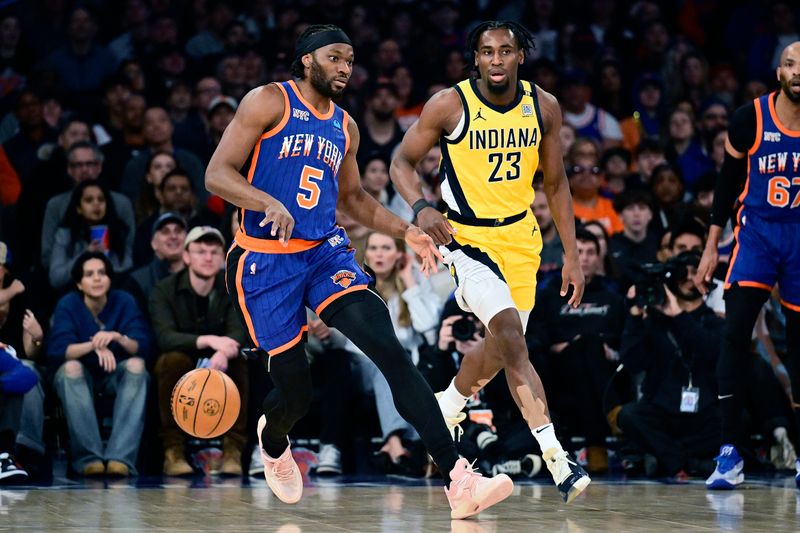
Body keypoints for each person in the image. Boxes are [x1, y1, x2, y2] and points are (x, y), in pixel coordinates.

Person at [205, 24, 512, 518]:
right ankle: (275, 437)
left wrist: (405, 230)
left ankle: (459, 478)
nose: (345, 68)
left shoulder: (345, 125)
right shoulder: (266, 102)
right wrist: (265, 201)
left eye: (349, 60)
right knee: (296, 390)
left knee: (390, 351)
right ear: (307, 60)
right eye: (334, 58)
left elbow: (351, 199)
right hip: (265, 260)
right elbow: (217, 174)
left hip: (326, 253)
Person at [390, 20, 591, 503]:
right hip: (465, 238)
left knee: (503, 350)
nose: (496, 60)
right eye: (487, 52)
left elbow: (557, 184)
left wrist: (572, 255)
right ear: (475, 58)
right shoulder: (449, 104)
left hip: (522, 237)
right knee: (511, 338)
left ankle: (450, 402)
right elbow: (401, 162)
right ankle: (557, 458)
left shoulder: (543, 106)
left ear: (521, 55)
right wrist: (421, 209)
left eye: (505, 51)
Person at [696, 41, 800, 490]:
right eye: (792, 64)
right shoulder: (749, 117)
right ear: (779, 72)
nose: (799, 72)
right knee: (735, 332)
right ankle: (729, 452)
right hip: (756, 233)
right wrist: (710, 246)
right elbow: (726, 183)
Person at [149, 226, 248, 477]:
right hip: (183, 359)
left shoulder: (232, 287)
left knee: (240, 361)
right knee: (171, 361)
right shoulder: (164, 290)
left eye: (214, 252)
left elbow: (241, 331)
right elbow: (164, 336)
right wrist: (210, 341)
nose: (208, 257)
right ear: (186, 257)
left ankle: (233, 450)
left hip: (219, 363)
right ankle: (173, 452)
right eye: (200, 251)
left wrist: (225, 352)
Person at [48, 252, 150, 477]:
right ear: (78, 283)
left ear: (110, 279)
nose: (96, 279)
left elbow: (141, 345)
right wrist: (94, 344)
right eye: (89, 274)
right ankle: (89, 458)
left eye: (102, 273)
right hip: (81, 378)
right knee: (70, 368)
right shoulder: (69, 304)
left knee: (137, 366)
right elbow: (58, 351)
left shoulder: (124, 300)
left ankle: (120, 458)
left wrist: (116, 337)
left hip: (115, 375)